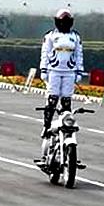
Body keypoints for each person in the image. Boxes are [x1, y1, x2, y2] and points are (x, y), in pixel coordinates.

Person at [39, 8, 84, 138]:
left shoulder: (75, 37)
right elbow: (45, 54)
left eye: (67, 21)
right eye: (62, 21)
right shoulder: (50, 36)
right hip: (54, 71)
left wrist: (79, 71)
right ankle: (46, 126)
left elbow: (79, 55)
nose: (64, 24)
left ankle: (66, 126)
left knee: (66, 101)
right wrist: (44, 69)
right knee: (52, 100)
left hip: (69, 72)